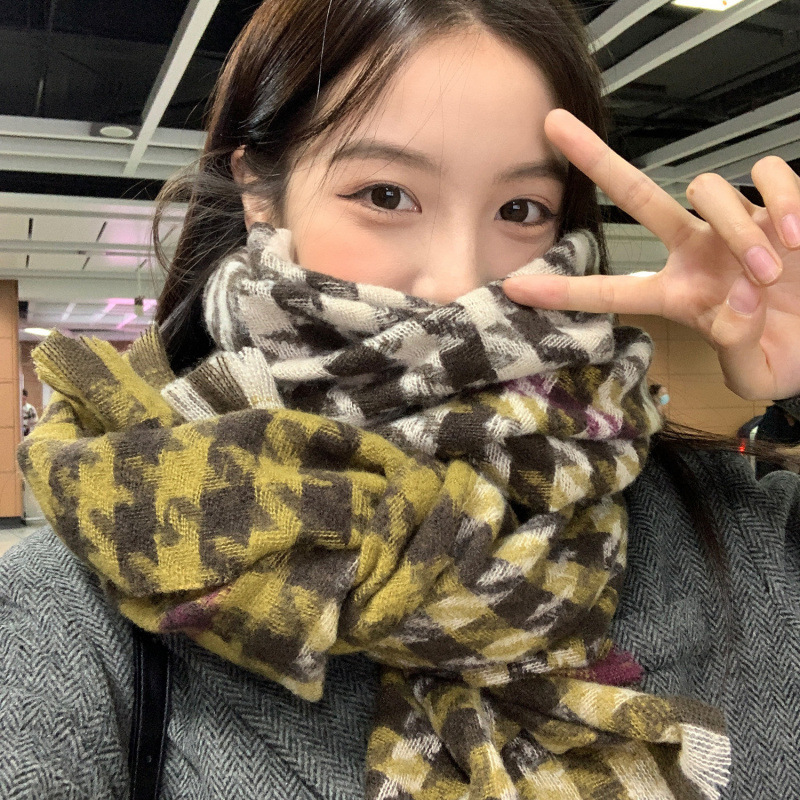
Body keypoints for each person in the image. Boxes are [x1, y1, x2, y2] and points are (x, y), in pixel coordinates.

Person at [2, 1, 800, 798]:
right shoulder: (96, 584)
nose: (459, 282)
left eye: (520, 210)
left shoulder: (738, 538)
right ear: (259, 194)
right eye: (386, 194)